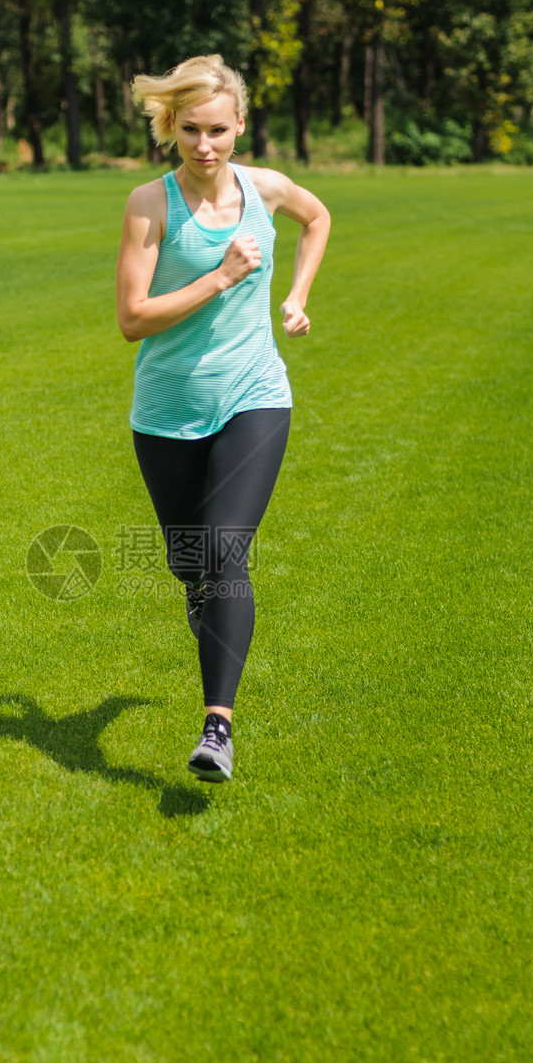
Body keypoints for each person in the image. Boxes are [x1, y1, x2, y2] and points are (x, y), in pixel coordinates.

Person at [116, 54, 330, 783]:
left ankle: (217, 727)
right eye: (189, 130)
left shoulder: (264, 189)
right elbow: (132, 319)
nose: (205, 146)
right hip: (167, 410)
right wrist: (221, 277)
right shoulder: (151, 204)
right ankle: (202, 598)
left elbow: (318, 217)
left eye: (218, 130)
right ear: (169, 125)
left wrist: (297, 295)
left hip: (254, 394)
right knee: (191, 566)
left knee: (223, 549)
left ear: (240, 125)